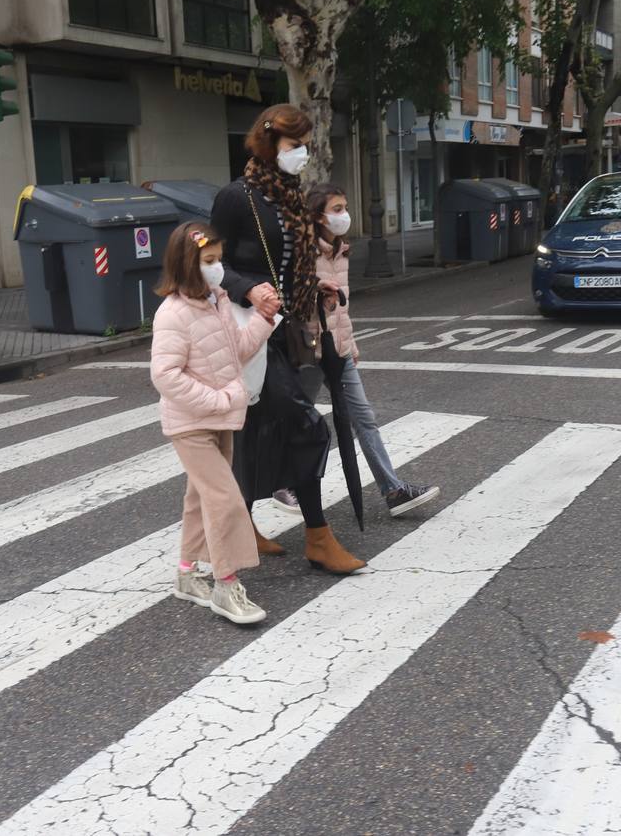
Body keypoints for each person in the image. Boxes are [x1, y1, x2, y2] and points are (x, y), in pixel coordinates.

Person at [210, 103, 366, 575]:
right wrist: (246, 287)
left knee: (259, 433)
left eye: (305, 145)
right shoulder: (236, 197)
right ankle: (318, 537)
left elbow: (291, 261)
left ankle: (246, 526)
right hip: (247, 331)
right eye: (295, 145)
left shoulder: (290, 196)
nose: (303, 153)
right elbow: (211, 266)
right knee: (306, 425)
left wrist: (308, 285)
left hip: (288, 327)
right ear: (269, 142)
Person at [150, 221, 277, 624]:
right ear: (187, 263)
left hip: (220, 418)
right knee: (225, 500)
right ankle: (225, 584)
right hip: (191, 424)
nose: (218, 267)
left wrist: (264, 317)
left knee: (200, 498)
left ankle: (187, 574)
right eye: (209, 260)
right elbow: (165, 375)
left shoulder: (218, 301)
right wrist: (219, 399)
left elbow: (236, 350)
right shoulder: (172, 313)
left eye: (219, 258)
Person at [299, 182, 441, 517]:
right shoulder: (303, 254)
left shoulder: (341, 251)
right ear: (318, 216)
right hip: (307, 352)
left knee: (364, 419)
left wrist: (350, 341)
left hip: (338, 351)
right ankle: (278, 484)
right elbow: (290, 301)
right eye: (336, 209)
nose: (344, 215)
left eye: (345, 207)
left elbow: (340, 309)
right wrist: (314, 290)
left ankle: (393, 491)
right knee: (294, 422)